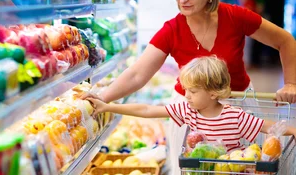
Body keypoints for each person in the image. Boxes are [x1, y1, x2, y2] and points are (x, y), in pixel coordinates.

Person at [81, 0, 296, 175]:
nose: (182, 0)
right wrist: (102, 98)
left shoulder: (235, 17)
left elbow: (285, 41)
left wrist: (291, 83)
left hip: (237, 109)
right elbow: (137, 75)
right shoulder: (172, 30)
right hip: (192, 112)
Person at [87, 56, 296, 151]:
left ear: (214, 93)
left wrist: (293, 129)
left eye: (193, 91)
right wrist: (108, 105)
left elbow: (268, 126)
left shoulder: (235, 116)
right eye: (186, 89)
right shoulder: (188, 111)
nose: (186, 95)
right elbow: (147, 109)